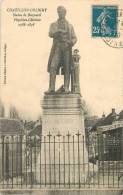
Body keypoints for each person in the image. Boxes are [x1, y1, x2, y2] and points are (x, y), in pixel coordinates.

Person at [47, 6, 77, 93]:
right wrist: (57, 32)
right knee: (53, 66)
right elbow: (50, 33)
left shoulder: (70, 26)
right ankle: (51, 88)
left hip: (67, 48)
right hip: (57, 47)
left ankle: (66, 87)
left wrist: (71, 42)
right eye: (59, 12)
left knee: (67, 68)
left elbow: (75, 38)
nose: (60, 13)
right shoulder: (53, 24)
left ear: (65, 13)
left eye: (62, 12)